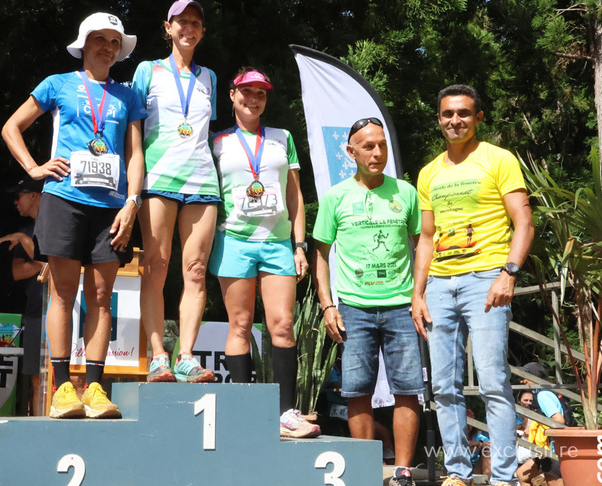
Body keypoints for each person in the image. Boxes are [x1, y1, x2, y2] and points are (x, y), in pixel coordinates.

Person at [1, 12, 145, 419]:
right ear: (84, 43)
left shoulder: (127, 94)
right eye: (100, 39)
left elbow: (135, 153)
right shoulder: (58, 84)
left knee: (102, 298)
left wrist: (133, 201)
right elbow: (12, 126)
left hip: (112, 208)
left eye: (114, 41)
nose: (108, 47)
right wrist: (34, 168)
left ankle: (96, 388)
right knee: (63, 293)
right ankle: (64, 387)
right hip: (64, 198)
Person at [411, 84, 535, 486]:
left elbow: (524, 222)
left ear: (478, 118)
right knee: (444, 387)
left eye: (463, 113)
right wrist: (418, 293)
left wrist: (508, 273)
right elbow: (426, 238)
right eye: (447, 114)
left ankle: (503, 478)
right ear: (439, 119)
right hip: (440, 286)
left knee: (493, 382)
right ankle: (458, 473)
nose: (455, 121)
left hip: (487, 280)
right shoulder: (428, 172)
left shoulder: (498, 159)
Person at [313, 117, 423, 486]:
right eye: (368, 146)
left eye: (382, 145)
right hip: (353, 309)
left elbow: (423, 242)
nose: (377, 153)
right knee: (357, 389)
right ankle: (364, 470)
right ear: (351, 152)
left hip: (401, 306)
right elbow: (322, 255)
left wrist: (419, 294)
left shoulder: (406, 192)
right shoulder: (335, 197)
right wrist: (328, 304)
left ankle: (403, 471)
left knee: (407, 389)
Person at [208, 67, 316, 437]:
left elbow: (294, 195)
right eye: (246, 92)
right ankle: (243, 410)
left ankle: (287, 413)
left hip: (277, 243)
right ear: (232, 95)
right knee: (239, 324)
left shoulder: (282, 138)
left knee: (282, 325)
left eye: (261, 93)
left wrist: (299, 245)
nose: (253, 99)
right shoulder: (217, 141)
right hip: (234, 240)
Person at [131, 0, 219, 383]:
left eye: (196, 22)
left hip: (202, 182)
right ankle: (158, 356)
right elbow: (132, 128)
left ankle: (186, 355)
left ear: (202, 31)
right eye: (182, 21)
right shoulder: (147, 70)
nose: (189, 28)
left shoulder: (210, 78)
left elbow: (204, 133)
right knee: (156, 267)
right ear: (167, 27)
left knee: (196, 271)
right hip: (158, 180)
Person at [0, 179, 46, 414]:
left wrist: (27, 245)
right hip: (35, 313)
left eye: (19, 195)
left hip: (68, 311)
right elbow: (17, 272)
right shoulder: (24, 231)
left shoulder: (61, 226)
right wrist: (49, 264)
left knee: (70, 380)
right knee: (38, 382)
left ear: (35, 195)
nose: (15, 202)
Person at [515, 362, 564, 486]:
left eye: (524, 377)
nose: (522, 381)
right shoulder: (545, 393)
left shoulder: (543, 395)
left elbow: (559, 421)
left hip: (553, 449)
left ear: (533, 377)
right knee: (522, 475)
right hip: (547, 449)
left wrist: (535, 430)